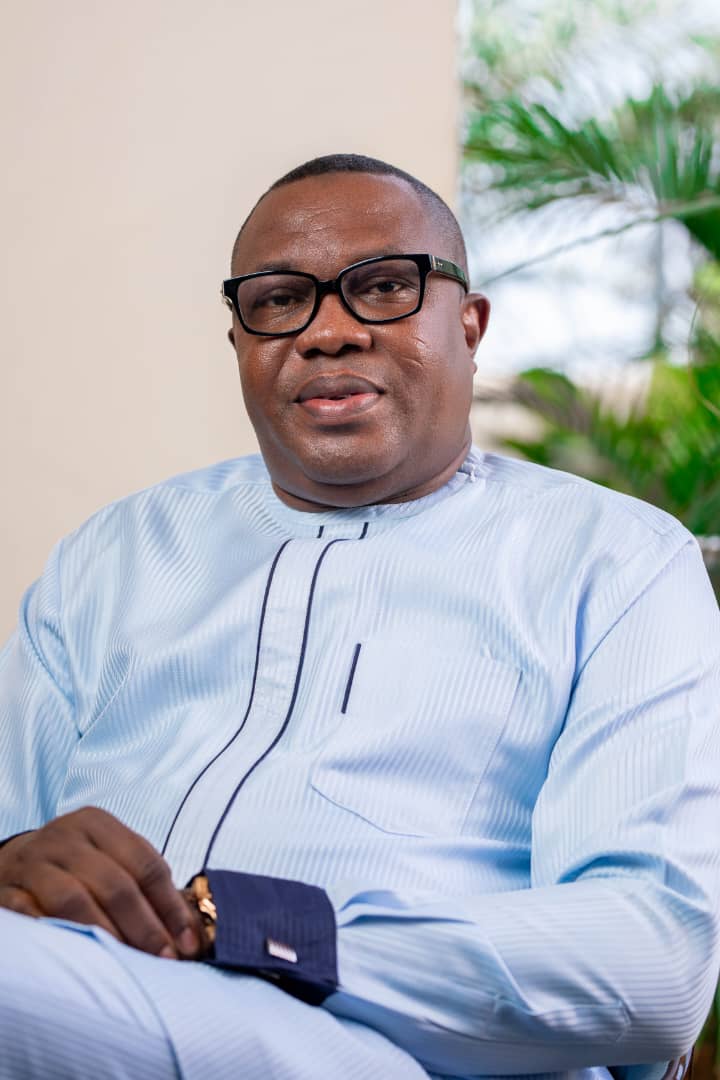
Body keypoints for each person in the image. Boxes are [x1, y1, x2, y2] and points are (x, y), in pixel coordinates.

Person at [0, 153, 718, 1080]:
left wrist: (256, 933)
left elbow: (652, 961)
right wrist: (22, 864)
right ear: (239, 340)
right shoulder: (116, 552)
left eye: (383, 288)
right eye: (278, 300)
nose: (327, 332)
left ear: (469, 325)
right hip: (69, 1004)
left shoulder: (615, 561)